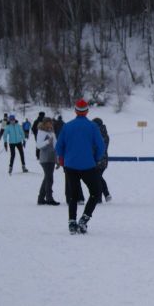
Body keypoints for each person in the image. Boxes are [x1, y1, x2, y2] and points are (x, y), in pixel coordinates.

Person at [55, 99, 105, 235]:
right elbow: (101, 146)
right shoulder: (92, 126)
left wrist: (62, 159)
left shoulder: (67, 126)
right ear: (87, 111)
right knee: (95, 193)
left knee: (73, 195)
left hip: (70, 165)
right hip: (88, 165)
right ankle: (84, 219)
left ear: (75, 111)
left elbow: (59, 147)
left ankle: (72, 222)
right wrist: (96, 158)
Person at [36, 118, 60, 205]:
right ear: (44, 123)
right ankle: (49, 198)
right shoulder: (41, 132)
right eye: (48, 123)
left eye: (51, 123)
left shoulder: (52, 132)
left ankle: (41, 198)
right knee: (49, 178)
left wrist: (57, 159)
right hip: (45, 158)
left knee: (47, 178)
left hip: (52, 158)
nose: (50, 125)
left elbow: (56, 146)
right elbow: (38, 145)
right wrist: (47, 141)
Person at [92, 117, 111, 202]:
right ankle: (103, 195)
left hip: (99, 160)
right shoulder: (104, 134)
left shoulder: (97, 134)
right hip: (103, 160)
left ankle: (104, 195)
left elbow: (96, 147)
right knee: (98, 177)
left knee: (97, 178)